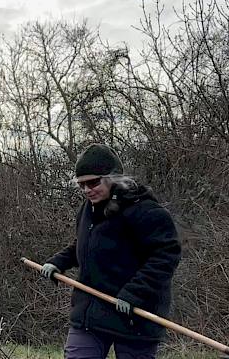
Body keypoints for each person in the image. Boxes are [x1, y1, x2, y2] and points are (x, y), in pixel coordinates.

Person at [41, 144, 181, 359]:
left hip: (135, 316)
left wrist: (134, 293)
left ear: (112, 178)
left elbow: (165, 256)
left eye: (93, 182)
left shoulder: (144, 210)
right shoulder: (88, 209)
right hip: (92, 312)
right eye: (82, 185)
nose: (87, 190)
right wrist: (58, 261)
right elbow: (86, 245)